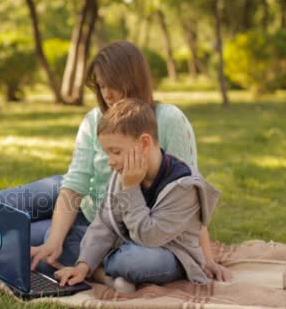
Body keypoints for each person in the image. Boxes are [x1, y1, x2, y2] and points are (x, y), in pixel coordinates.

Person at [0, 41, 231, 281]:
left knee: (7, 239)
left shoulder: (168, 120)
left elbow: (189, 193)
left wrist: (205, 253)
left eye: (112, 84)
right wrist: (56, 238)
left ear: (133, 79)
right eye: (100, 85)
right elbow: (75, 182)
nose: (106, 93)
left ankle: (82, 258)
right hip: (75, 197)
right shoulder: (94, 121)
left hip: (114, 223)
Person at [54, 98, 221, 292]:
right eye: (107, 153)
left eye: (115, 152)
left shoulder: (183, 186)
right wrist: (83, 265)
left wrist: (131, 189)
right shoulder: (122, 173)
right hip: (126, 242)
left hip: (168, 254)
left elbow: (149, 238)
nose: (111, 161)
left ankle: (107, 270)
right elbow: (105, 223)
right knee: (63, 238)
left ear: (144, 143)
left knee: (132, 261)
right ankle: (107, 276)